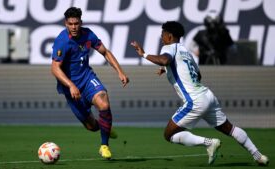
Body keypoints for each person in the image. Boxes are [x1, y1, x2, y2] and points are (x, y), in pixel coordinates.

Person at [130, 21, 269, 165]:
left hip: (194, 101)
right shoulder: (186, 52)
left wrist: (144, 54)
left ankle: (209, 143)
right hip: (208, 96)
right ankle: (258, 156)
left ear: (169, 36)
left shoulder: (169, 47)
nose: (161, 37)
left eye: (162, 34)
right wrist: (168, 69)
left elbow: (164, 60)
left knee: (169, 134)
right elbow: (197, 74)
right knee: (230, 129)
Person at [51, 7, 129, 160]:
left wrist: (120, 71)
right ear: (65, 23)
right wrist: (71, 85)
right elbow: (55, 68)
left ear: (81, 22)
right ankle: (103, 127)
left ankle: (104, 145)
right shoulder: (62, 41)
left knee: (104, 104)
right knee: (91, 127)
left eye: (76, 23)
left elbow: (105, 52)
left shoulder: (88, 34)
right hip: (71, 89)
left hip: (87, 79)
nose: (74, 27)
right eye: (70, 24)